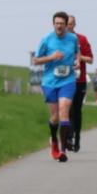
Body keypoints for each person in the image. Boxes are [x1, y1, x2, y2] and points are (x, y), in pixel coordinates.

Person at [32, 11, 77, 162]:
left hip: (68, 80)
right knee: (55, 117)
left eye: (62, 24)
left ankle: (63, 150)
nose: (59, 26)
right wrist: (52, 57)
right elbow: (36, 60)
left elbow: (77, 54)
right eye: (56, 23)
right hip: (50, 82)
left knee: (64, 110)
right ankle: (53, 140)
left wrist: (77, 62)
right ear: (53, 24)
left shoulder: (72, 39)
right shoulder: (47, 39)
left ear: (66, 25)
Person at [66, 15, 93, 152]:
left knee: (76, 111)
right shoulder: (59, 40)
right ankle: (68, 137)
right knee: (67, 109)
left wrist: (79, 57)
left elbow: (90, 59)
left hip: (79, 80)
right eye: (66, 24)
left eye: (71, 24)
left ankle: (77, 138)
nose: (68, 26)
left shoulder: (82, 39)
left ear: (74, 25)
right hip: (64, 80)